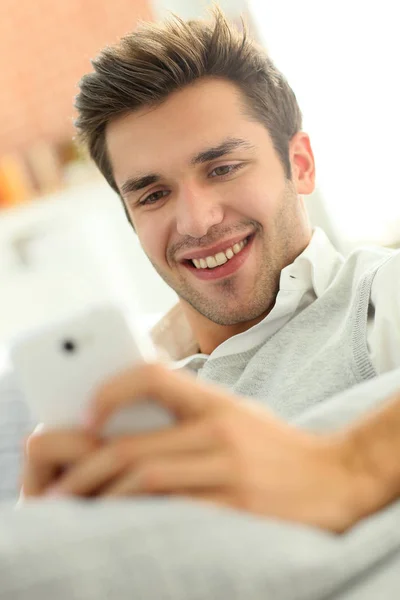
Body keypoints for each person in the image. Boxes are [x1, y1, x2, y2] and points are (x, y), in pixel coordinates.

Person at [21, 6, 400, 534]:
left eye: (222, 168)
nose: (197, 220)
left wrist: (344, 469)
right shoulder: (99, 415)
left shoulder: (382, 295)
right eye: (153, 195)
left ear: (302, 165)